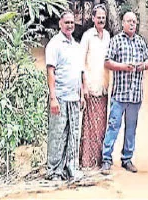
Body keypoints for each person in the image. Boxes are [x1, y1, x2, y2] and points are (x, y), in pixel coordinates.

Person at [101, 11, 148, 175]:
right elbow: (107, 62)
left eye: (134, 22)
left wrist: (142, 66)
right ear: (123, 23)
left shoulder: (140, 42)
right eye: (129, 21)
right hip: (120, 94)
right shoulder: (116, 40)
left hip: (135, 95)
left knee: (131, 128)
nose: (132, 24)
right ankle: (106, 159)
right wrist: (124, 67)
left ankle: (127, 159)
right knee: (113, 126)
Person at [45, 10, 86, 181]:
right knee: (57, 134)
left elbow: (80, 72)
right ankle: (54, 170)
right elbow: (50, 71)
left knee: (73, 134)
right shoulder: (54, 44)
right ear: (60, 24)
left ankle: (71, 167)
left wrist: (82, 94)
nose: (70, 25)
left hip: (74, 98)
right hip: (60, 97)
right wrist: (53, 97)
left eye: (72, 23)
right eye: (67, 22)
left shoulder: (76, 46)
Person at [79, 4, 111, 169]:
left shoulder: (107, 36)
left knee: (101, 126)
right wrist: (84, 87)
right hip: (90, 86)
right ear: (93, 18)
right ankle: (86, 161)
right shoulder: (87, 36)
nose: (101, 20)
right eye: (98, 17)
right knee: (90, 126)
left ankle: (99, 160)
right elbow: (81, 63)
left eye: (103, 18)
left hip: (103, 87)